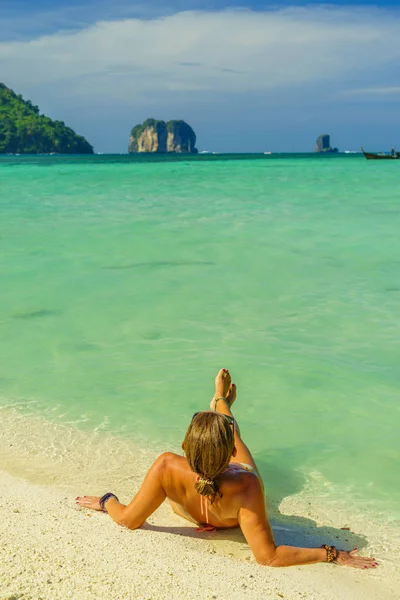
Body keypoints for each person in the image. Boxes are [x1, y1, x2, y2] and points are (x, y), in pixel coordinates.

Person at [77, 369, 378, 568]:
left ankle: (221, 402)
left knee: (226, 432)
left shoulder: (167, 465)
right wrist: (332, 554)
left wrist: (108, 502)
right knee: (233, 432)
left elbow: (129, 520)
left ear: (185, 447)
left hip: (191, 502)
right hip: (233, 498)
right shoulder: (246, 482)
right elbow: (269, 556)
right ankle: (222, 402)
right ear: (229, 455)